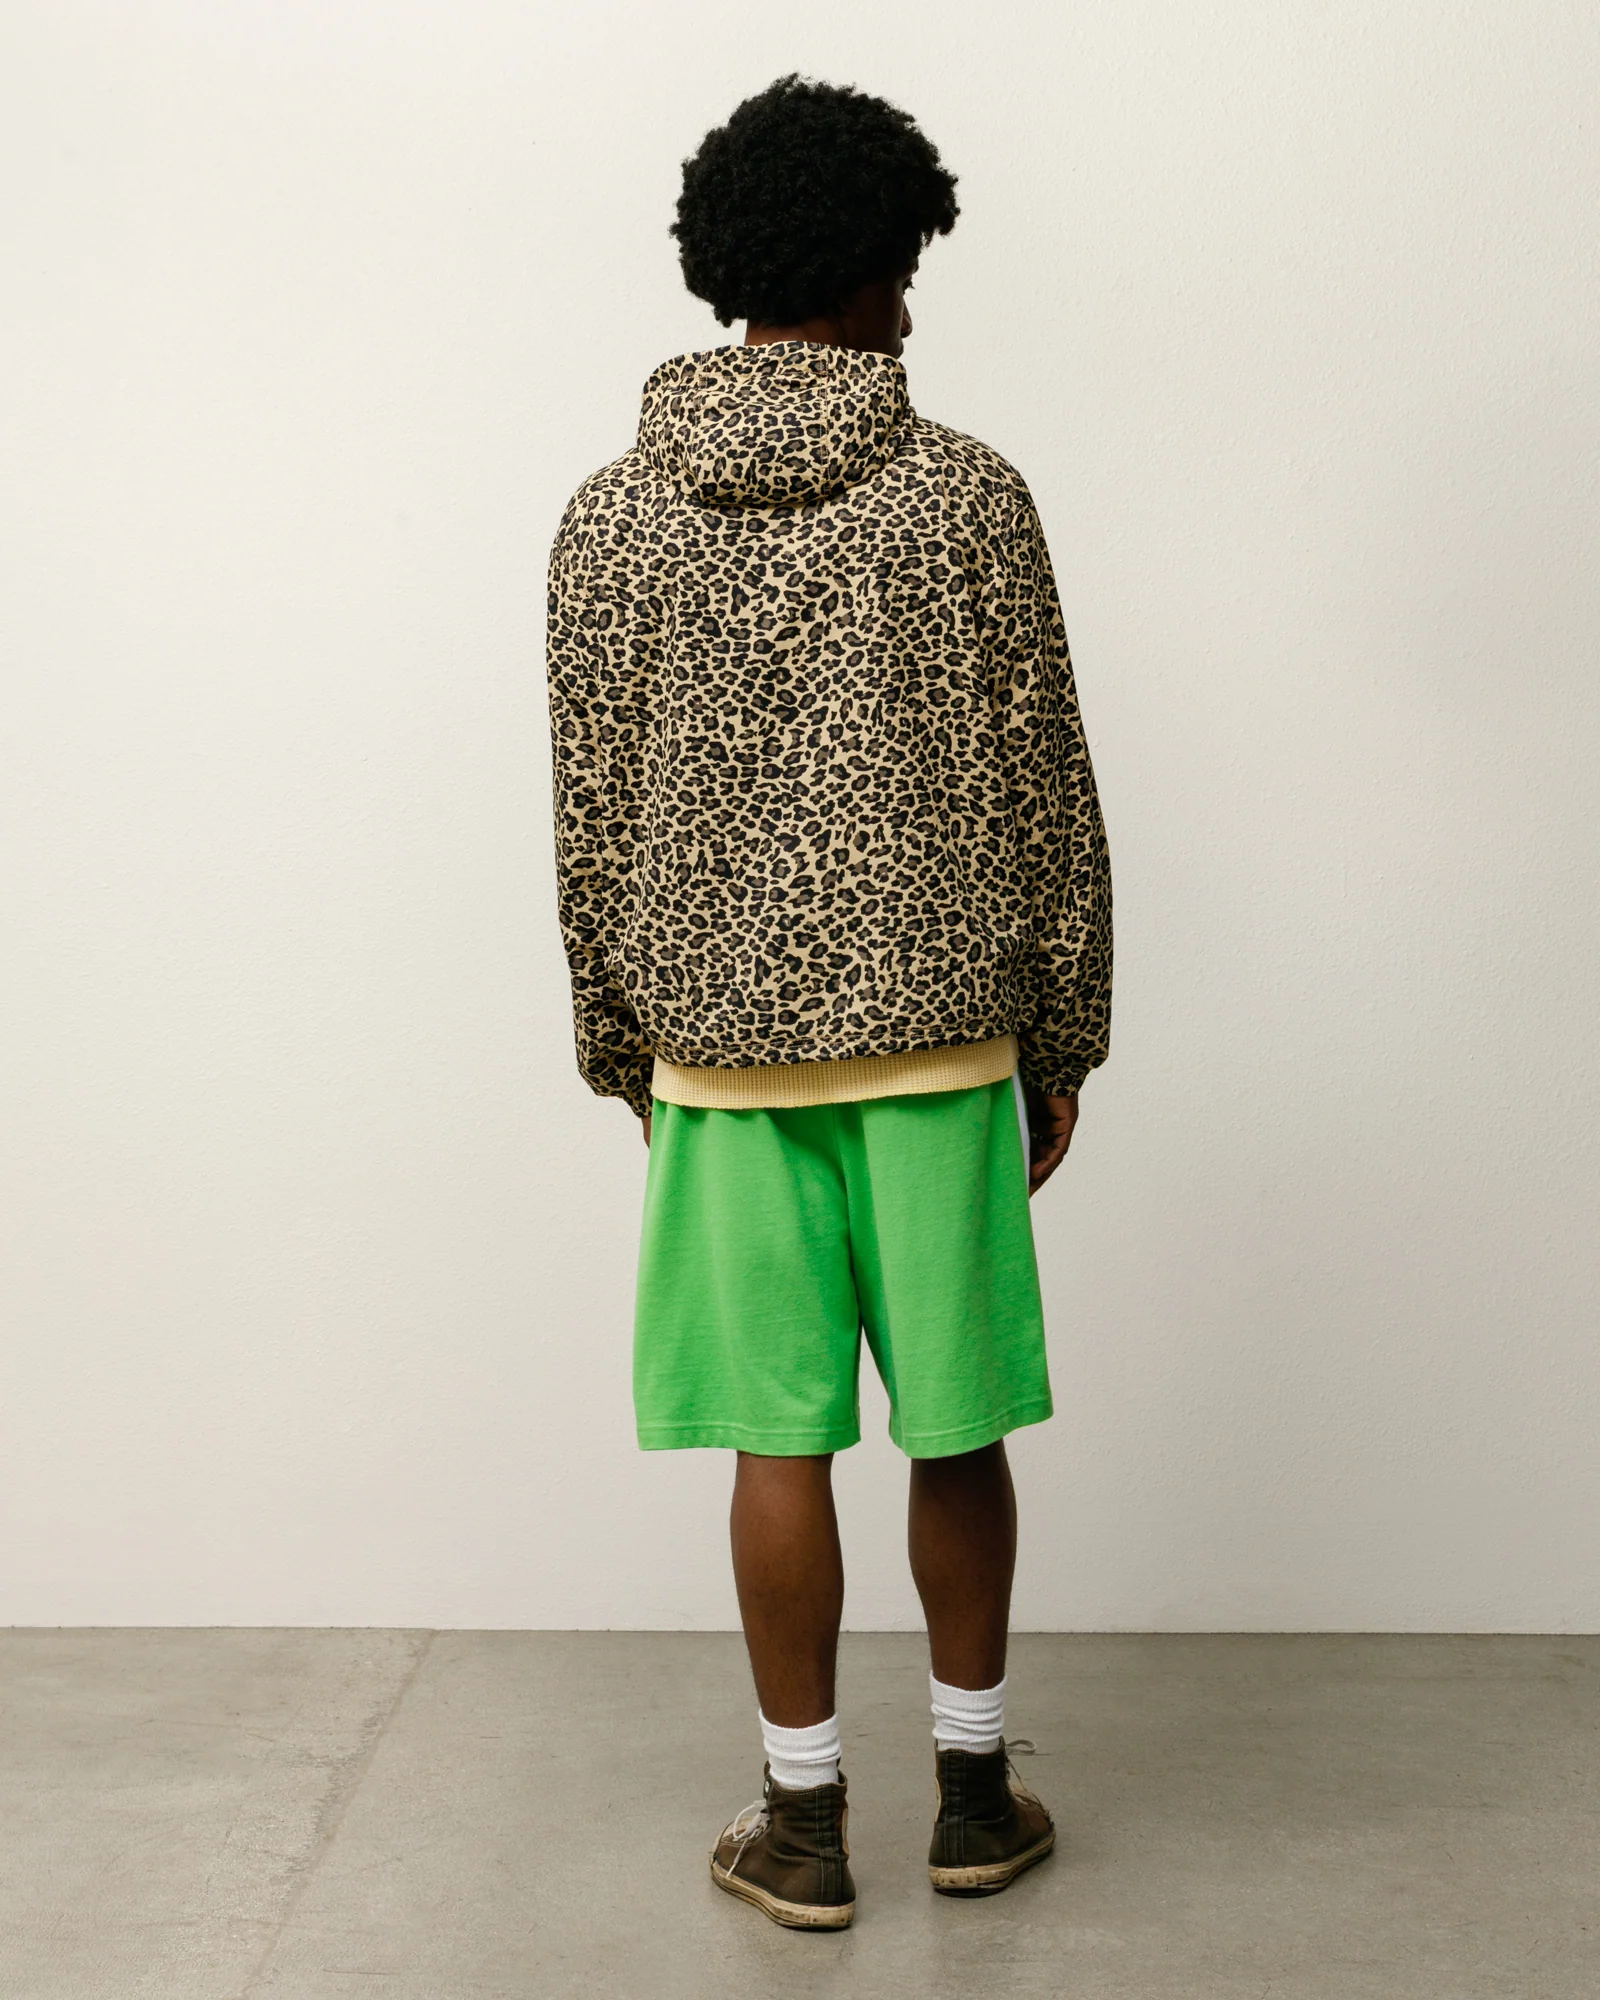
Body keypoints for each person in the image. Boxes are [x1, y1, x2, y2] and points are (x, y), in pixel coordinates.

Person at [546, 74, 1112, 1930]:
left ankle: (802, 1829)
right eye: (907, 267)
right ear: (867, 268)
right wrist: (1065, 1032)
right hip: (943, 1041)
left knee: (774, 1440)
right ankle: (974, 1798)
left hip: (719, 1061)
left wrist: (625, 1048)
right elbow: (1045, 788)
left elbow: (591, 809)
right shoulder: (970, 498)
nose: (915, 305)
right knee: (957, 1427)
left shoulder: (608, 521)